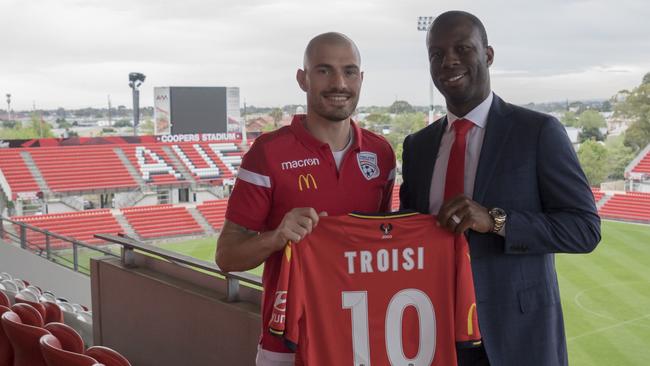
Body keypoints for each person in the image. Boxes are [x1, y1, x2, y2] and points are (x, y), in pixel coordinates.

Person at [400, 10, 601, 366]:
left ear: (488, 55)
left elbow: (584, 230)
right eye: (437, 54)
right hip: (434, 336)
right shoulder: (417, 146)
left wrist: (495, 221)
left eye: (462, 48)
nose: (449, 61)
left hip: (516, 340)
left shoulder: (537, 132)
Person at [216, 32, 396, 365]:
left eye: (350, 71)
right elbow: (226, 257)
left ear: (361, 79)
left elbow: (382, 241)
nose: (339, 82)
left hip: (363, 338)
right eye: (324, 70)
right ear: (303, 79)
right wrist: (277, 237)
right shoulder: (267, 153)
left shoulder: (382, 153)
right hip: (287, 344)